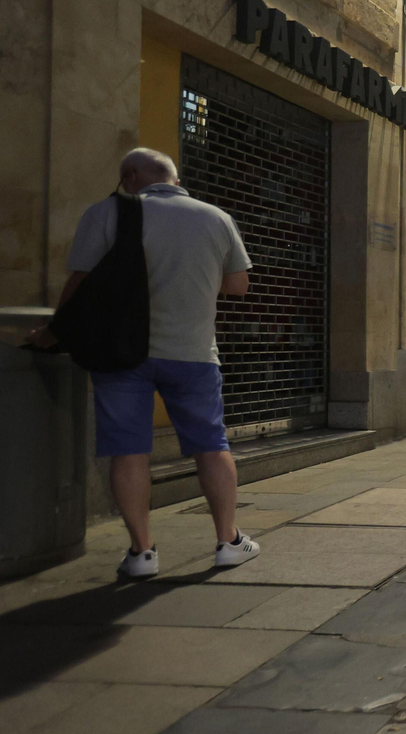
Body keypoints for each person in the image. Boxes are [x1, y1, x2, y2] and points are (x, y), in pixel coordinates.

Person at [30, 149, 260, 578]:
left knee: (128, 450)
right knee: (211, 444)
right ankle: (228, 541)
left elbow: (79, 284)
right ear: (174, 178)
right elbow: (238, 285)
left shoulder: (105, 213)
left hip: (121, 352)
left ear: (131, 177)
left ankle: (142, 553)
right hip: (193, 353)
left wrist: (50, 334)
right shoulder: (215, 217)